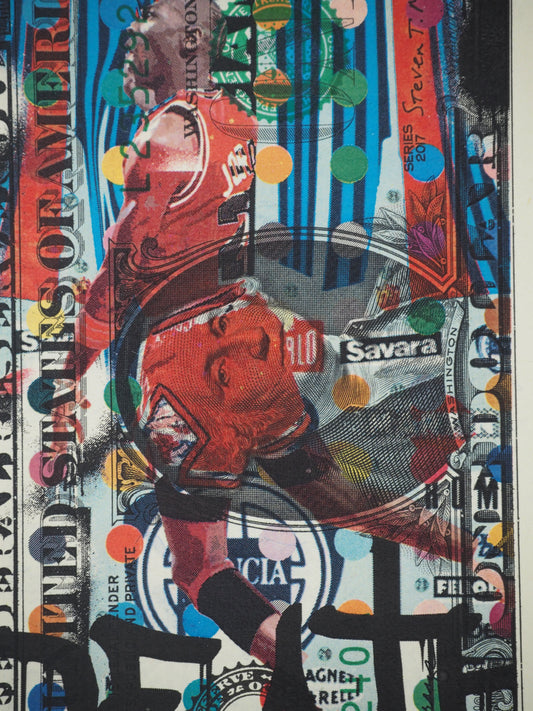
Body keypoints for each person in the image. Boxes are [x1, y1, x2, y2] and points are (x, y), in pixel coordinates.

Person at [133, 277, 473, 668]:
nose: (254, 340)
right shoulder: (179, 435)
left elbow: (200, 573)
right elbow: (199, 572)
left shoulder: (177, 426)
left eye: (222, 326)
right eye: (224, 374)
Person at [68, 0, 256, 376]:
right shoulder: (236, 116)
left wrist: (66, 372)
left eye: (149, 16)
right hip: (232, 326)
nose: (132, 28)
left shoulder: (167, 136)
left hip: (184, 351)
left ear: (191, 38)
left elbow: (120, 277)